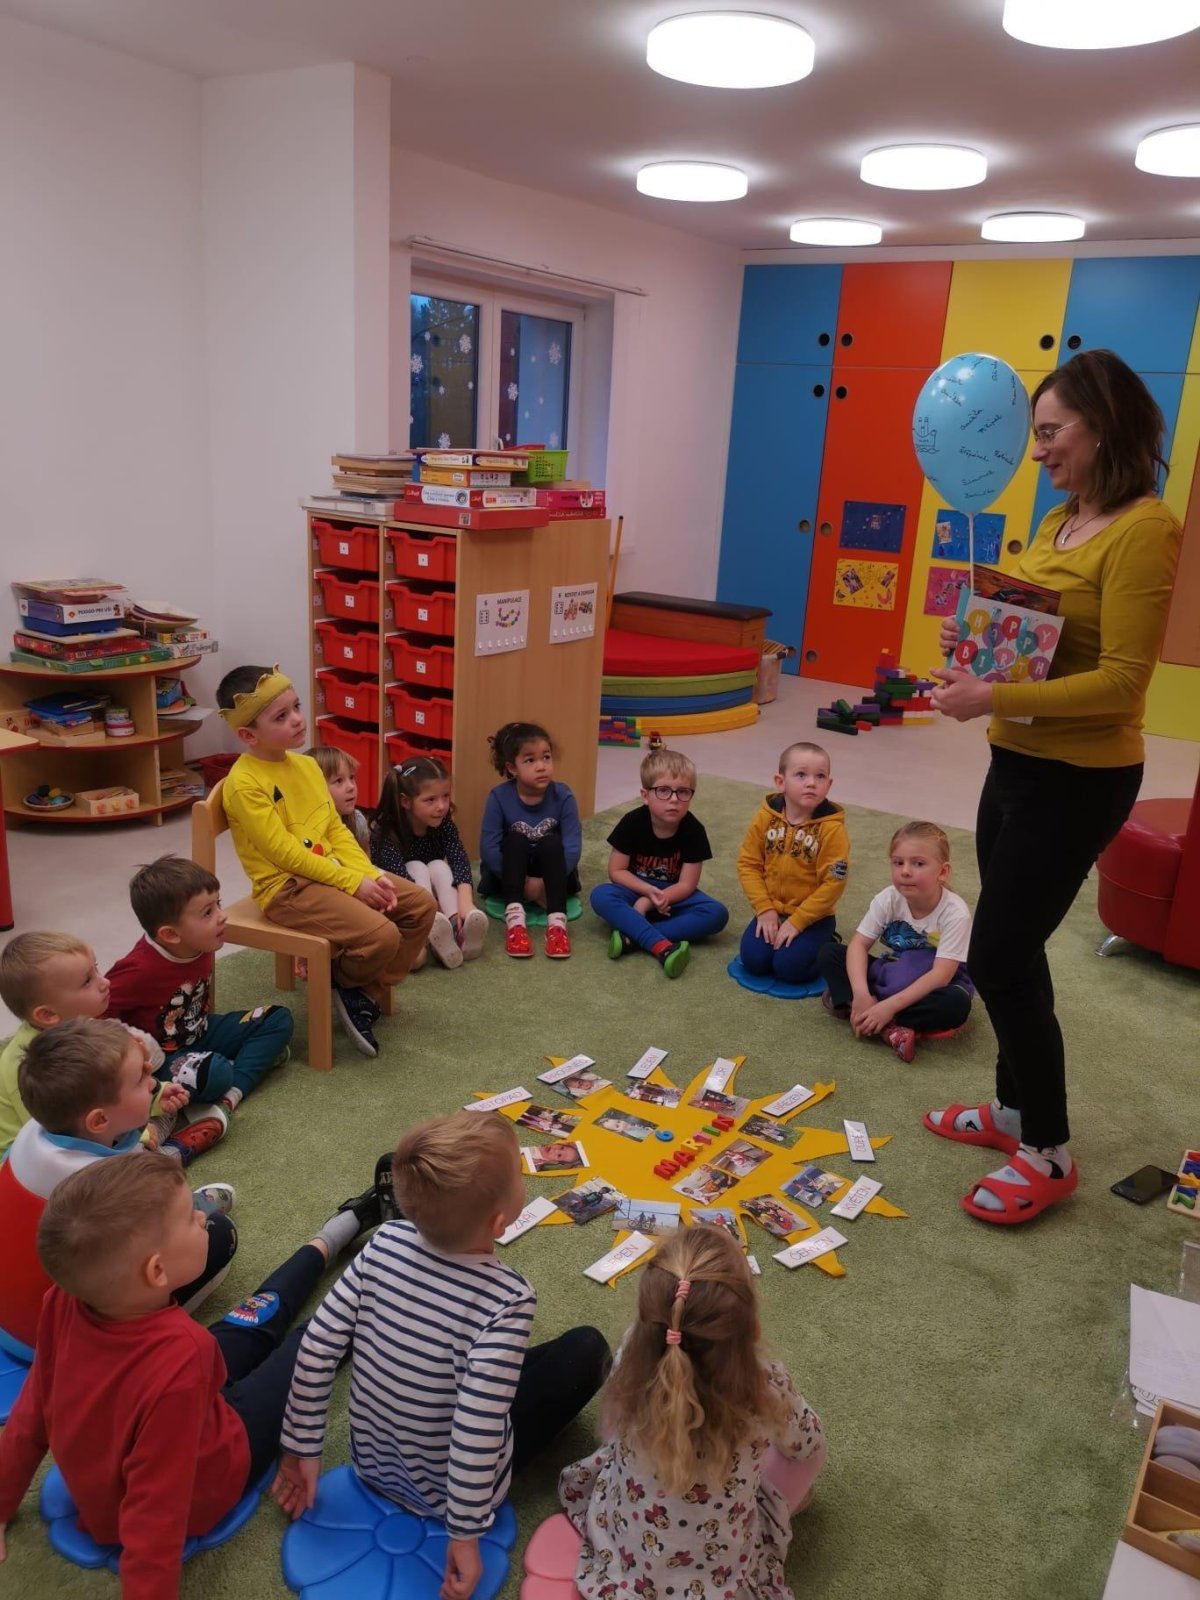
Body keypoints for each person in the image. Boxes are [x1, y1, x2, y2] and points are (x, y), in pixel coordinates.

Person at [927, 349, 1183, 1225]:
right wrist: (974, 649)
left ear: (1100, 426)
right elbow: (1032, 634)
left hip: (1080, 778)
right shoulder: (1061, 519)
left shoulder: (1145, 530)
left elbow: (1122, 682)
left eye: (1049, 433)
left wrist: (992, 695)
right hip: (1016, 761)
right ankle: (1011, 1111)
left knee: (997, 954)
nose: (1034, 452)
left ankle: (1049, 1148)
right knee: (1016, 941)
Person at [0, 1151, 378, 1600]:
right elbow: (156, 1511)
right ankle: (380, 1291)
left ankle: (342, 1228)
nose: (204, 1216)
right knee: (310, 1345)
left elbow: (29, 1416)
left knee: (261, 1312)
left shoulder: (64, 1302)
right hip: (221, 1461)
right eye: (190, 1216)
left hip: (184, 1400)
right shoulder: (183, 1355)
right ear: (157, 1271)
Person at [272, 1110, 609, 1600]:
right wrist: (465, 1535)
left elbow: (317, 1346)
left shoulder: (382, 1242)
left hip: (371, 1464)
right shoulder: (509, 1298)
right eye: (519, 1175)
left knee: (489, 1369)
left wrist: (300, 1448)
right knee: (586, 1348)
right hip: (444, 1494)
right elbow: (476, 1429)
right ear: (499, 1222)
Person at [557, 1224, 824, 1600]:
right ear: (751, 1327)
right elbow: (809, 1445)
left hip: (624, 1552)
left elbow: (612, 1424)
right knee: (801, 1450)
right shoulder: (766, 1385)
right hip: (717, 1577)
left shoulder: (633, 1353)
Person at [215, 665, 436, 1059]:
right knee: (382, 935)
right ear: (248, 735)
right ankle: (349, 985)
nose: (297, 719)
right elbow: (284, 854)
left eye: (297, 706)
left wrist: (367, 873)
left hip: (330, 873)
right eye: (281, 716)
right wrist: (351, 883)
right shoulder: (244, 783)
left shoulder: (305, 766)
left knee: (421, 905)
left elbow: (335, 829)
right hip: (286, 888)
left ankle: (356, 990)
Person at [0, 1019, 237, 1355]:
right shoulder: (111, 1182)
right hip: (59, 1342)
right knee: (218, 1235)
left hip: (11, 1316)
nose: (153, 1081)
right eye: (141, 1079)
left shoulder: (35, 1134)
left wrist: (149, 1098)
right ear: (99, 1120)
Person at [105, 855, 293, 1127]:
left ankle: (230, 1095)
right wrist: (136, 1060)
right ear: (171, 934)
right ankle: (240, 1069)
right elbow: (95, 1017)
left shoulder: (202, 941)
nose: (222, 915)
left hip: (202, 1031)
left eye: (218, 904)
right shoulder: (138, 970)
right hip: (162, 1060)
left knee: (278, 1019)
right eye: (208, 912)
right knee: (214, 1073)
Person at [0, 932, 211, 1158]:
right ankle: (172, 1152)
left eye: (96, 969)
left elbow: (111, 1086)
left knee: (168, 1103)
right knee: (141, 1159)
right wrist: (137, 1136)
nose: (105, 982)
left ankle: (155, 1143)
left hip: (92, 1120)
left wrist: (157, 1096)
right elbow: (53, 1138)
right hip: (41, 1155)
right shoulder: (29, 1066)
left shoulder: (85, 1027)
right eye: (87, 981)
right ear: (48, 1014)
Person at [817, 821, 973, 1064]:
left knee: (957, 1004)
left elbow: (940, 976)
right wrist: (860, 993)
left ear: (942, 872)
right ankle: (882, 1022)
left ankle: (872, 1015)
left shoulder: (955, 913)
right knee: (830, 952)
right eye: (898, 862)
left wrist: (888, 1008)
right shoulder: (888, 898)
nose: (906, 871)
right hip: (892, 972)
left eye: (918, 863)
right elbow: (858, 945)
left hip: (934, 986)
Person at [589, 748, 729, 979]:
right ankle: (661, 945)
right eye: (663, 791)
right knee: (601, 895)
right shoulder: (632, 822)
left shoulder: (694, 830)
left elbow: (687, 885)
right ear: (645, 795)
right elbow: (616, 871)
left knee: (716, 914)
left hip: (673, 896)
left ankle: (632, 935)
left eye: (683, 792)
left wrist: (649, 902)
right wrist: (645, 891)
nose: (674, 799)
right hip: (635, 888)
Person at [735, 742, 850, 987]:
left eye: (820, 776)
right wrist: (764, 909)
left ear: (829, 785)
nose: (811, 783)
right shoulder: (764, 818)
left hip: (814, 918)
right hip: (772, 910)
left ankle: (829, 943)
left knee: (790, 968)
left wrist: (799, 921)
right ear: (781, 782)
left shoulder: (832, 830)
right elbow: (748, 864)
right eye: (801, 775)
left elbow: (833, 884)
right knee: (754, 961)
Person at [370, 757, 488, 969]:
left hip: (429, 892)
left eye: (445, 796)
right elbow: (400, 884)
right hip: (401, 900)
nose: (441, 806)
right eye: (430, 800)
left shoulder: (442, 821)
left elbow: (458, 856)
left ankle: (456, 926)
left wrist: (466, 901)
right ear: (406, 802)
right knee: (416, 866)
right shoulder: (386, 832)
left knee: (438, 866)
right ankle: (433, 925)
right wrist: (429, 909)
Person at [479, 721, 581, 960]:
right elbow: (489, 848)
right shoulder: (499, 797)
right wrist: (525, 884)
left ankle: (557, 924)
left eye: (546, 757)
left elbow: (572, 848)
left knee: (551, 842)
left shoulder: (563, 795)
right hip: (510, 875)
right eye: (530, 760)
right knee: (516, 840)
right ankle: (515, 922)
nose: (541, 766)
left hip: (553, 876)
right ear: (511, 767)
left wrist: (543, 885)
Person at [307, 744, 371, 852]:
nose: (351, 787)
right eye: (339, 781)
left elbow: (365, 858)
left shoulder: (358, 822)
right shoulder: (305, 831)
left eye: (351, 777)